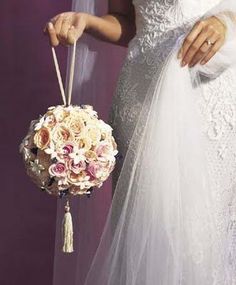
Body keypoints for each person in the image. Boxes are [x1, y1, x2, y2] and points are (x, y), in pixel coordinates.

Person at [45, 1, 236, 284]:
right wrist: (89, 21)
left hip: (209, 96)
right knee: (145, 233)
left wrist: (227, 21)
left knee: (204, 235)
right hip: (140, 98)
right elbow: (126, 20)